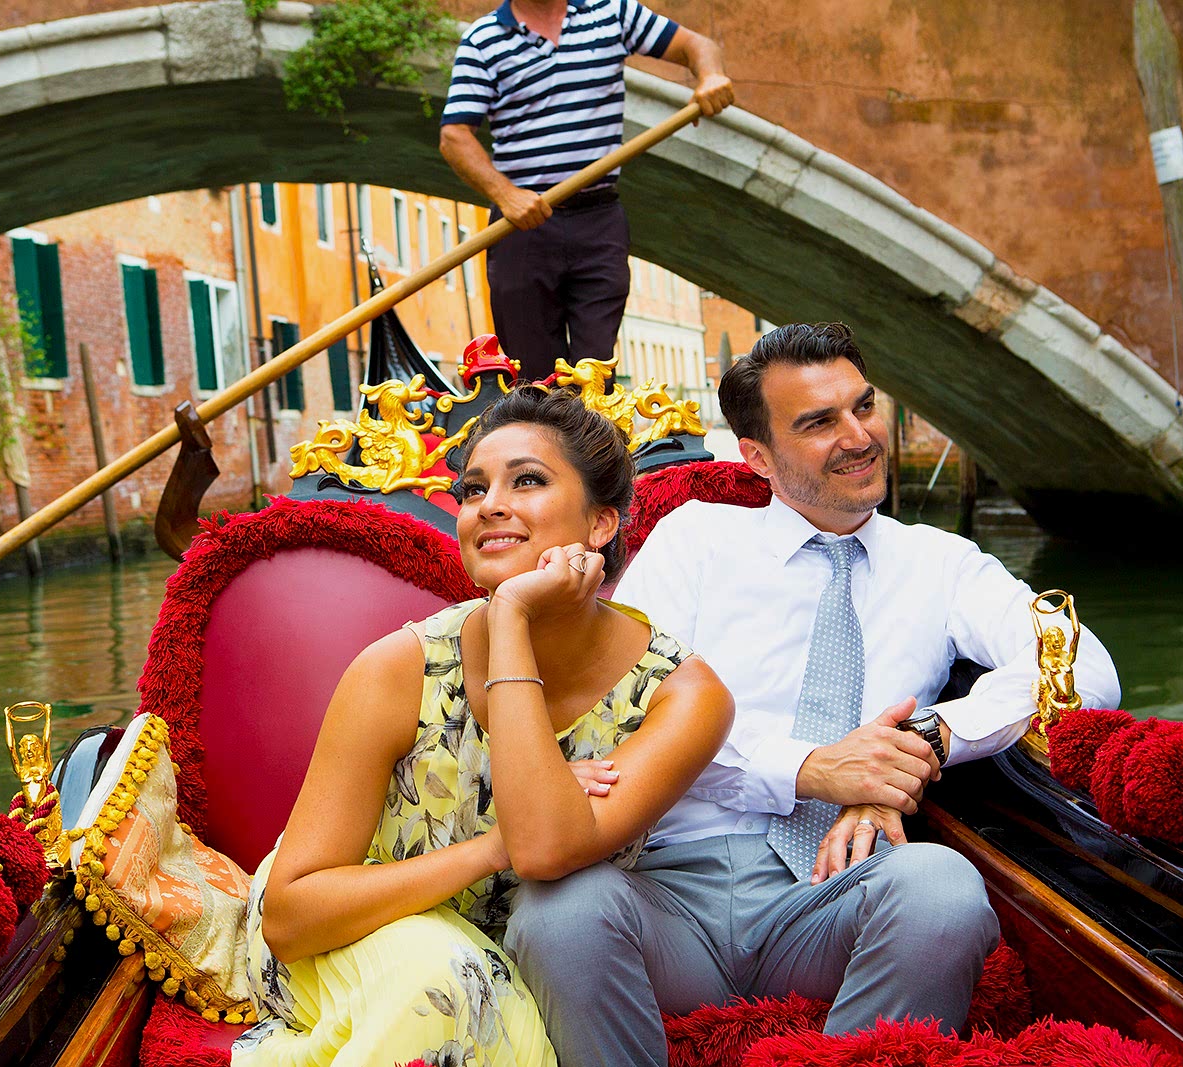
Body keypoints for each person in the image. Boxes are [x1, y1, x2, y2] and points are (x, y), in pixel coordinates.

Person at [503, 322, 1122, 1066]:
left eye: (864, 406)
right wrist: (808, 766)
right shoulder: (696, 540)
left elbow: (1082, 667)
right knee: (558, 913)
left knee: (943, 888)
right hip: (665, 889)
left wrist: (919, 742)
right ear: (757, 456)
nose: (859, 436)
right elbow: (638, 708)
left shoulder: (942, 563)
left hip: (837, 889)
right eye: (820, 422)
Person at [234, 385, 734, 1067]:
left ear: (601, 525)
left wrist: (511, 620)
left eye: (526, 480)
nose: (489, 503)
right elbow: (292, 916)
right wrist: (488, 845)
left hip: (529, 963)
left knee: (463, 982)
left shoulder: (683, 694)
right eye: (473, 489)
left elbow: (547, 852)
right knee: (440, 980)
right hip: (348, 936)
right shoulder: (398, 670)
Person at [439, 0, 734, 381]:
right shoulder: (484, 40)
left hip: (599, 220)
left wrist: (709, 76)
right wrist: (506, 195)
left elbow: (699, 45)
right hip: (523, 225)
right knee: (532, 374)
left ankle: (592, 438)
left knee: (594, 369)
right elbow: (454, 136)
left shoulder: (612, 12)